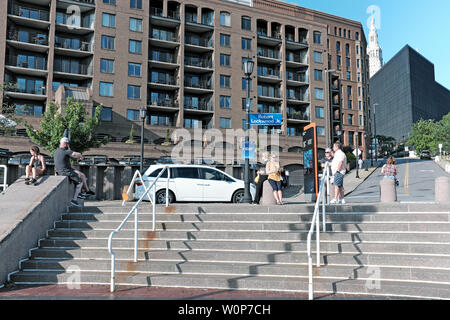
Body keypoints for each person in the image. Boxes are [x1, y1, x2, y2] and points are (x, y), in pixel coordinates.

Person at [54, 137, 84, 207]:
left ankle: (79, 193)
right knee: (80, 181)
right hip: (66, 171)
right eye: (68, 144)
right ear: (65, 144)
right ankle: (74, 199)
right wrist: (81, 156)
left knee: (78, 175)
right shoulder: (65, 151)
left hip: (59, 171)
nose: (68, 145)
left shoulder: (56, 151)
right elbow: (76, 154)